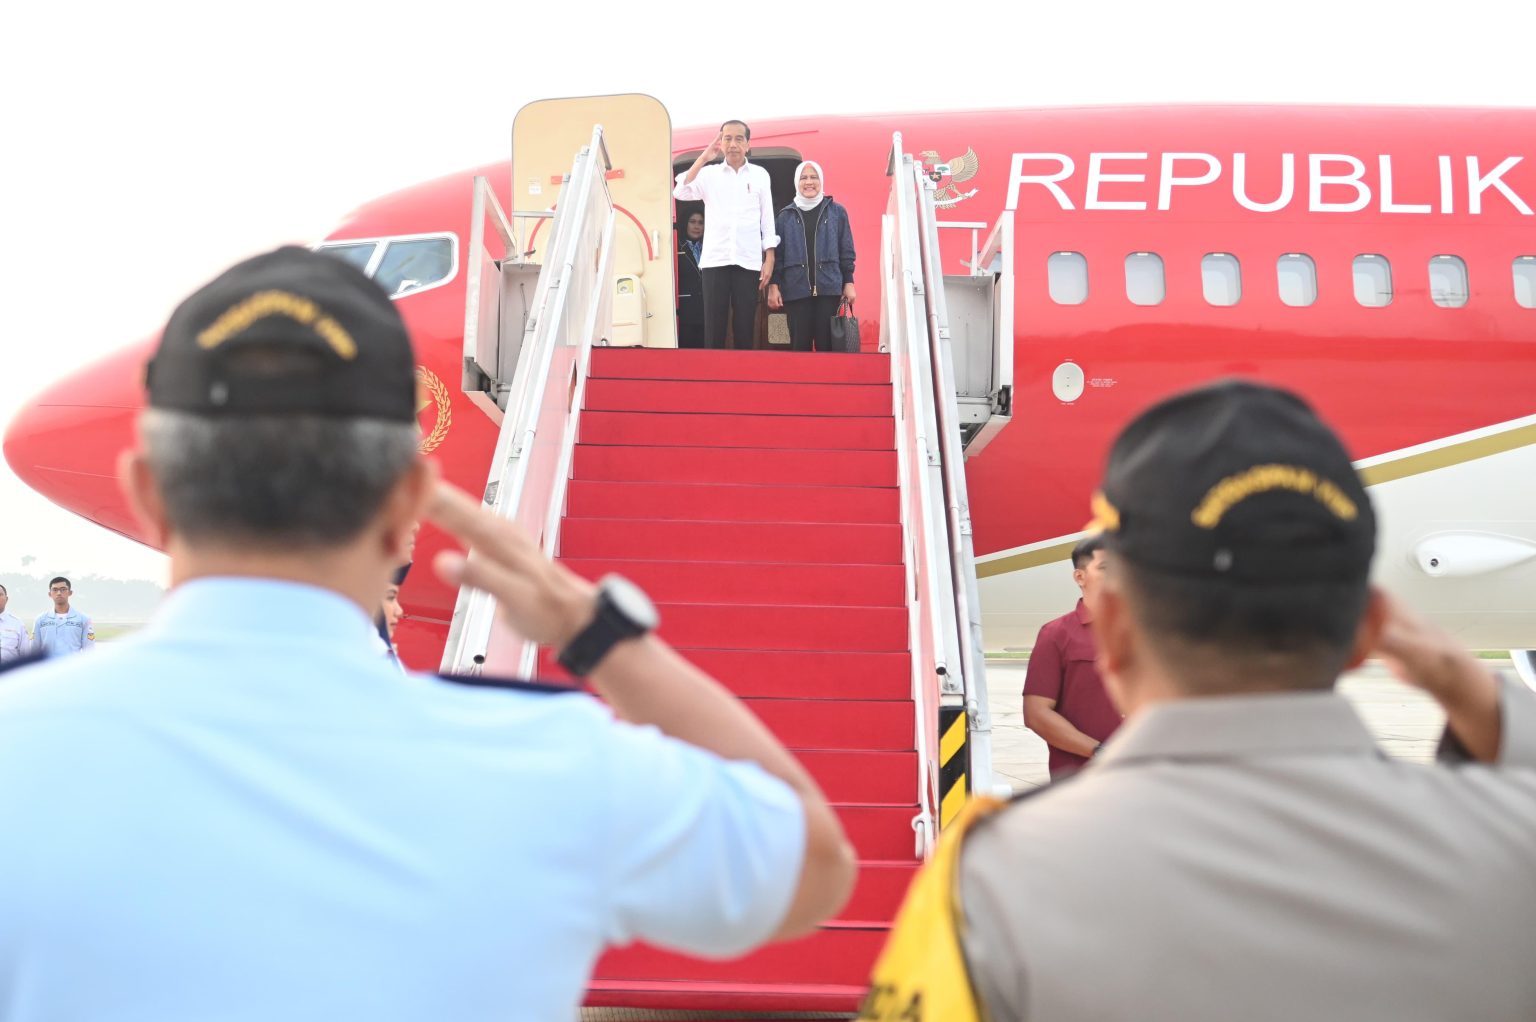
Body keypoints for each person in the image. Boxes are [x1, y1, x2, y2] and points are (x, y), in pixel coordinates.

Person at [0, 246, 856, 1020]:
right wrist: (590, 629)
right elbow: (814, 867)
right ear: (409, 504)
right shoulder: (554, 765)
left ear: (147, 493)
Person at [864, 380, 1536, 1022]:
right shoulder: (1510, 851)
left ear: (1115, 629)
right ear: (1370, 632)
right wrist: (1466, 683)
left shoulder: (998, 884)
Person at [1021, 534, 1122, 777]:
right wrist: (1100, 752)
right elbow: (1036, 714)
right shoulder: (1056, 634)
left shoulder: (1150, 634)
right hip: (1081, 779)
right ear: (1080, 577)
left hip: (1146, 780)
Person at [672, 120, 778, 349]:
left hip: (747, 260)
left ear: (748, 144)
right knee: (714, 327)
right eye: (727, 138)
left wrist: (769, 258)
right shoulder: (709, 174)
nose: (733, 144)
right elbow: (680, 191)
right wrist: (703, 158)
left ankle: (742, 379)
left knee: (744, 326)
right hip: (715, 260)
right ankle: (712, 379)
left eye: (739, 138)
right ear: (720, 143)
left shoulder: (760, 175)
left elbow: (767, 219)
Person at [767, 161, 856, 352]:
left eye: (814, 177)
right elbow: (778, 257)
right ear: (796, 182)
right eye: (803, 178)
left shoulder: (837, 212)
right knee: (798, 348)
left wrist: (848, 282)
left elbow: (846, 250)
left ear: (821, 181)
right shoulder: (784, 216)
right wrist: (774, 286)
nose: (809, 182)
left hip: (829, 289)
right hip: (795, 290)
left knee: (828, 347)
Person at [30, 576, 94, 657]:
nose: (59, 593)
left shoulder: (83, 619)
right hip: (49, 667)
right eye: (55, 590)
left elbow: (89, 651)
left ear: (70, 593)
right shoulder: (40, 620)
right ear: (50, 594)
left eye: (63, 589)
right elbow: (34, 650)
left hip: (72, 667)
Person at [675, 210, 706, 348]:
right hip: (685, 313)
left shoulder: (709, 248)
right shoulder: (676, 247)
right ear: (685, 224)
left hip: (705, 312)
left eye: (700, 222)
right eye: (692, 222)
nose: (696, 226)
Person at [0, 585, 29, 664]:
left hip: (10, 674)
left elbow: (25, 655)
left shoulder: (17, 624)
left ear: (6, 599)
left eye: (0, 594)